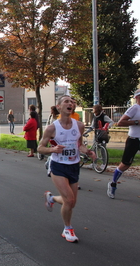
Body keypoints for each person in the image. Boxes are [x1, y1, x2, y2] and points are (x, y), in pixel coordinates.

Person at [38, 95, 95, 243]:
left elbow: (79, 144)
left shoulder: (79, 125)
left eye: (72, 102)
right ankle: (67, 228)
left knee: (71, 202)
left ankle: (51, 198)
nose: (70, 104)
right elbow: (40, 148)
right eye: (66, 102)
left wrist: (87, 151)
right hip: (58, 166)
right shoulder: (52, 128)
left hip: (74, 166)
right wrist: (53, 150)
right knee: (69, 200)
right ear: (59, 107)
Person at [107, 89, 140, 199]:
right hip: (134, 140)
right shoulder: (134, 108)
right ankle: (113, 183)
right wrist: (136, 122)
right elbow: (120, 122)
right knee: (125, 164)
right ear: (137, 98)